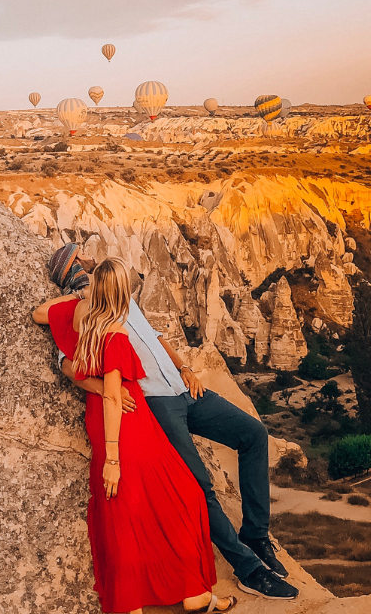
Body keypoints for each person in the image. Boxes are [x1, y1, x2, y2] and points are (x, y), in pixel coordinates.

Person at [45, 244, 298, 601]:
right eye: (79, 257)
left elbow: (156, 338)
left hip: (182, 386)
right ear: (71, 269)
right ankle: (248, 569)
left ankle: (255, 535)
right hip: (155, 403)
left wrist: (184, 367)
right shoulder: (81, 309)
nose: (89, 258)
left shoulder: (120, 294)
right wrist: (104, 388)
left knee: (254, 434)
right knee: (200, 484)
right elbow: (66, 361)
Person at [32, 258, 236, 614]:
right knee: (183, 496)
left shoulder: (74, 314)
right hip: (128, 423)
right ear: (123, 295)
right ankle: (192, 594)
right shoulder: (114, 331)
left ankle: (142, 600)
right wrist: (113, 459)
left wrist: (78, 294)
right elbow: (114, 394)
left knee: (127, 508)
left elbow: (40, 315)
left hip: (103, 417)